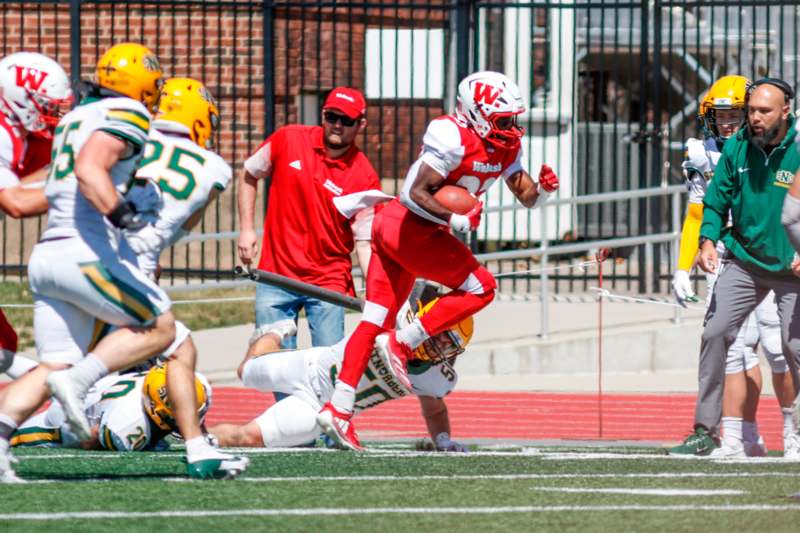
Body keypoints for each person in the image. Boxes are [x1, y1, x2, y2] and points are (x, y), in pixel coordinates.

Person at [316, 71, 559, 450]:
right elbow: (413, 193)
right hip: (410, 228)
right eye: (504, 120)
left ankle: (338, 409)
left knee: (373, 319)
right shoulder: (451, 135)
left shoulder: (505, 146)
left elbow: (524, 194)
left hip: (399, 231)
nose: (512, 128)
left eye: (513, 119)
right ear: (477, 114)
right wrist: (455, 218)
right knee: (482, 287)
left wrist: (542, 191)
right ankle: (403, 344)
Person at [122, 77, 249, 476]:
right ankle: (197, 446)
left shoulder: (127, 137)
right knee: (180, 349)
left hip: (82, 255)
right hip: (124, 273)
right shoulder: (212, 166)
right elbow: (179, 226)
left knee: (62, 361)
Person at [670, 76, 798, 458]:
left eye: (763, 111)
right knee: (716, 333)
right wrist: (708, 241)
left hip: (792, 266)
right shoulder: (738, 146)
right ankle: (706, 432)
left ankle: (794, 434)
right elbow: (715, 199)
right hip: (744, 260)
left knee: (791, 347)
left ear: (785, 112)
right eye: (751, 111)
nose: (754, 119)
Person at [208, 283, 472, 452]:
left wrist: (443, 440)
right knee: (246, 373)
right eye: (439, 335)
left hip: (318, 411)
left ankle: (194, 439)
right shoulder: (397, 319)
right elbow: (408, 284)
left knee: (247, 438)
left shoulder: (436, 377)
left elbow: (435, 408)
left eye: (448, 345)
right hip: (308, 367)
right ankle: (274, 335)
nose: (439, 347)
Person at [237, 86, 389, 357]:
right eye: (332, 117)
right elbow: (249, 173)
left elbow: (364, 243)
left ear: (361, 124)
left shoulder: (365, 177)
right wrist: (247, 230)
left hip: (328, 281)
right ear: (322, 114)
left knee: (327, 366)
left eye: (347, 121)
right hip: (276, 274)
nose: (338, 125)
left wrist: (374, 289)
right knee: (275, 366)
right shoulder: (288, 139)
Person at [0, 51, 72, 482]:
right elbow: (15, 202)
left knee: (4, 348)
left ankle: (66, 386)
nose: (49, 116)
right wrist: (79, 175)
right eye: (44, 105)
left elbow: (52, 155)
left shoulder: (21, 130)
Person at [11, 362, 210, 453]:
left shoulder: (192, 382)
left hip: (93, 389)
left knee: (45, 375)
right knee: (11, 433)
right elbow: (91, 439)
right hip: (70, 418)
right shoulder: (128, 424)